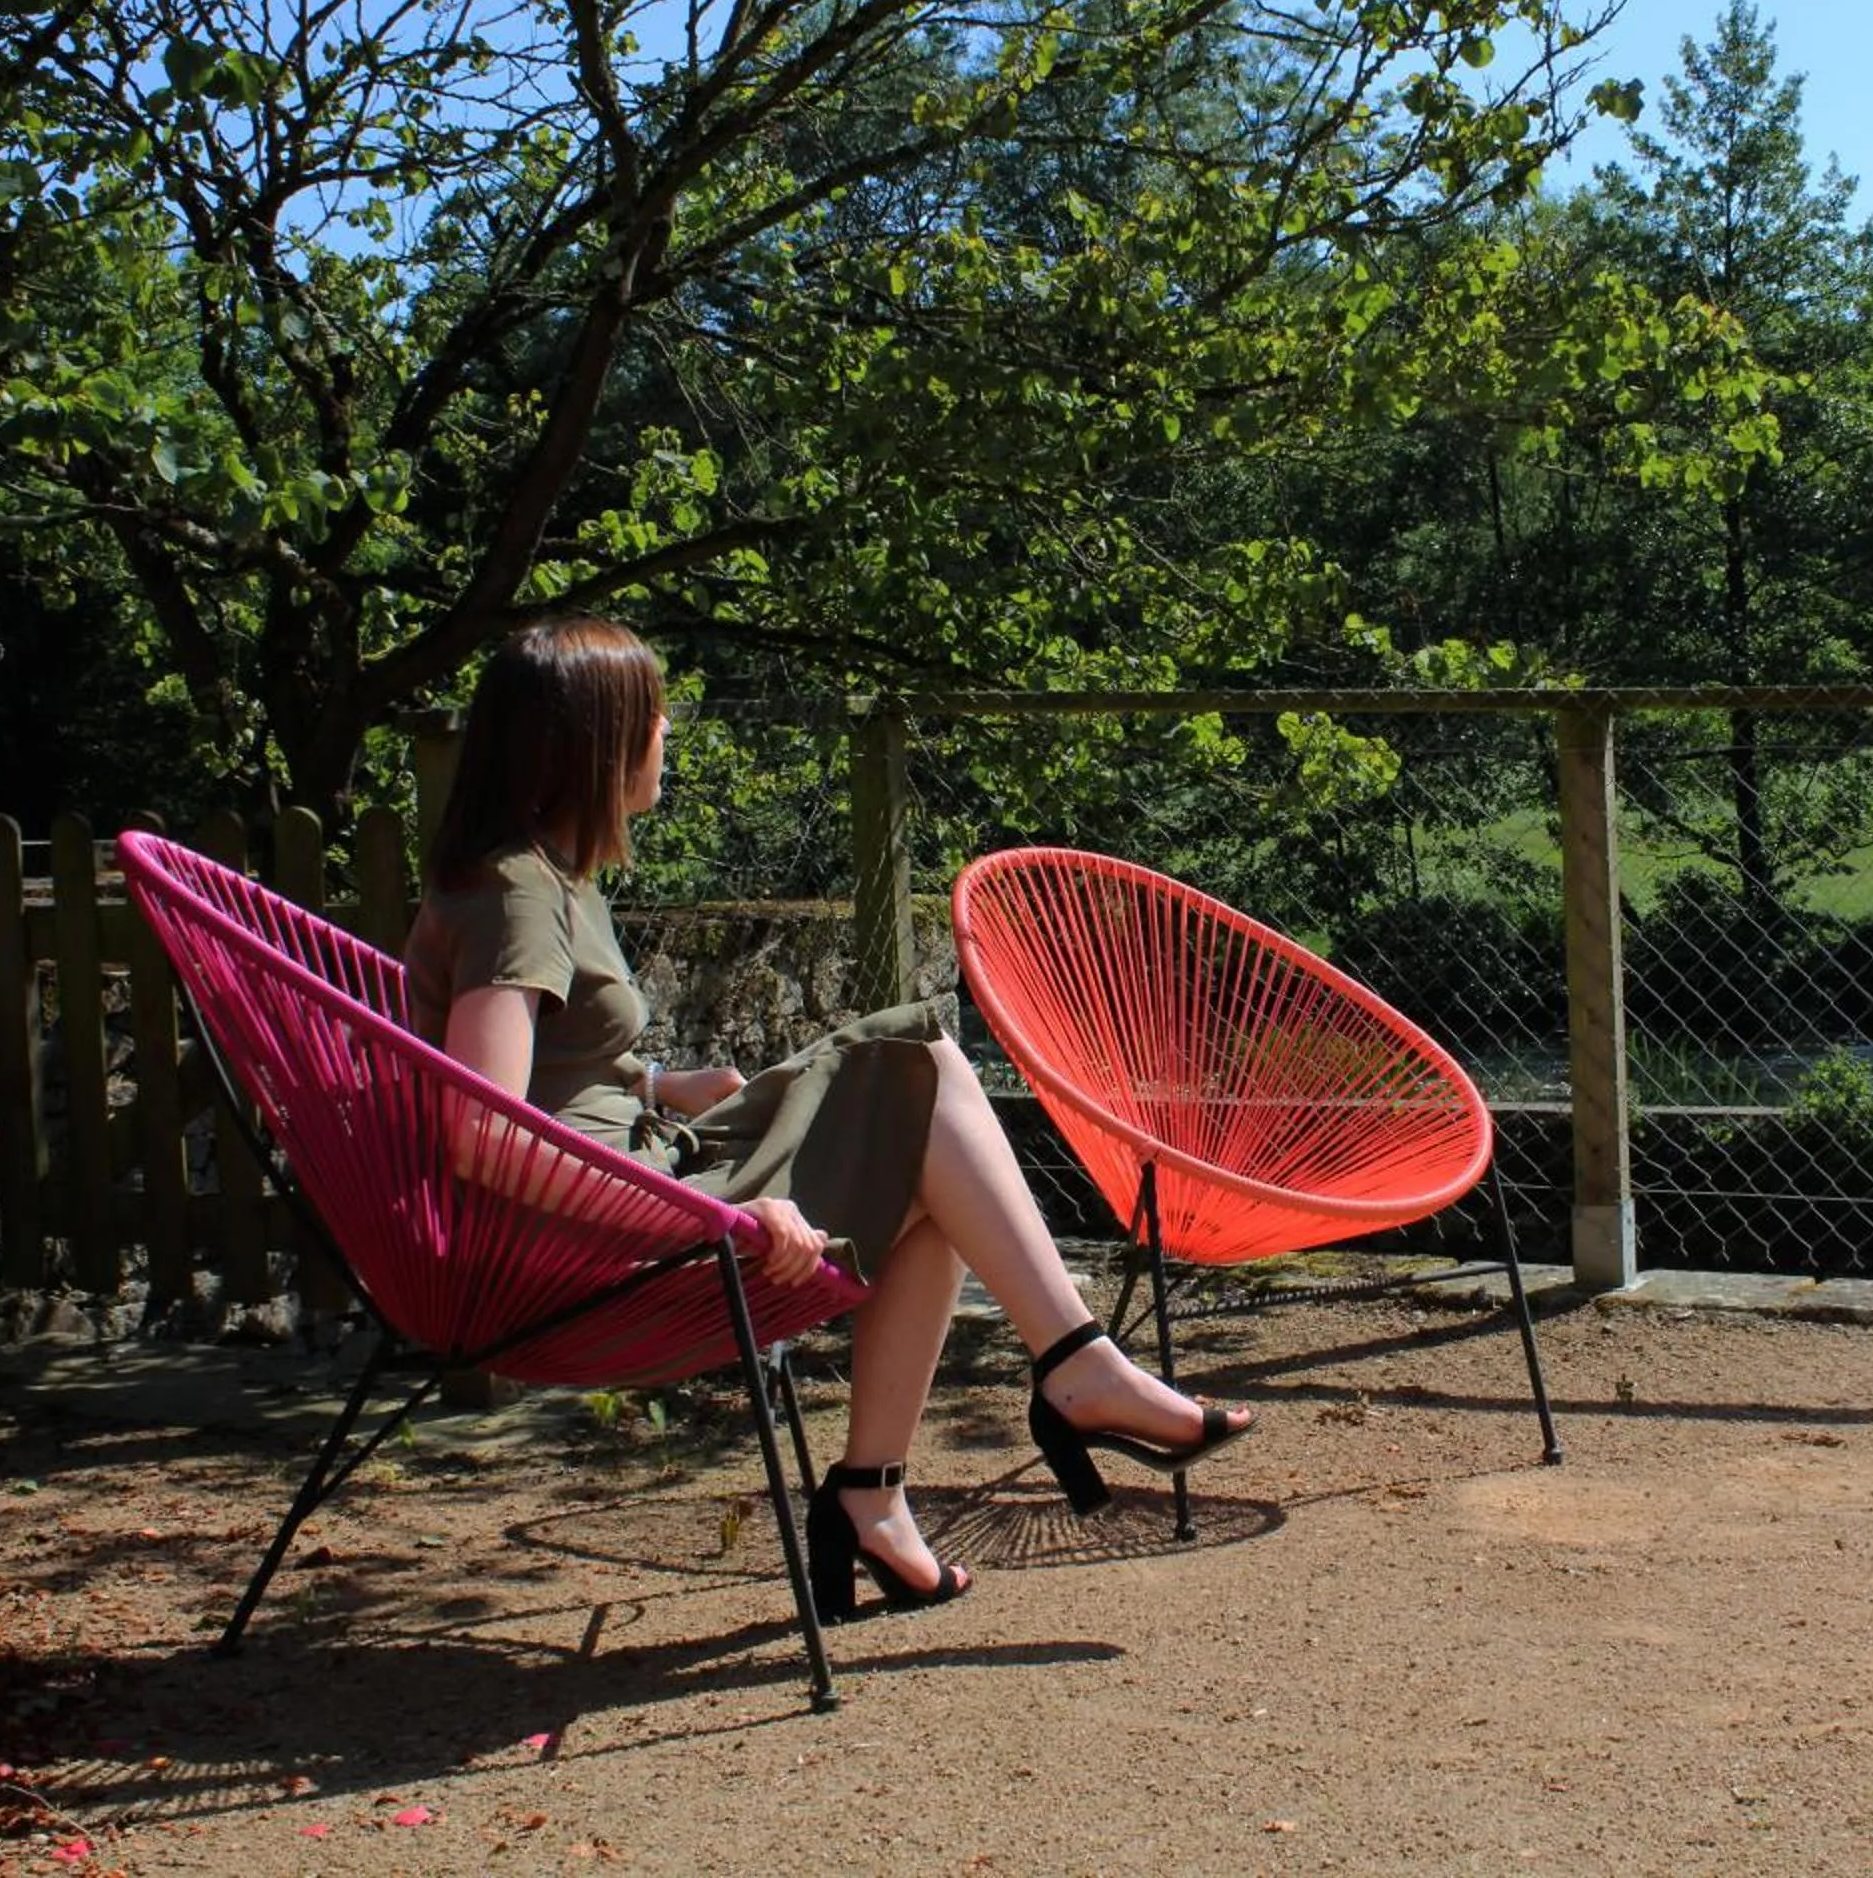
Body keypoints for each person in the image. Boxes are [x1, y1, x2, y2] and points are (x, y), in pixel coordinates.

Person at [403, 616, 1250, 1624]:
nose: (667, 728)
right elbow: (483, 1133)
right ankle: (1069, 1372)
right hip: (609, 1242)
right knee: (921, 1067)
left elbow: (546, 1079)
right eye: (650, 713)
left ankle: (879, 1495)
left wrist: (661, 1082)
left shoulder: (540, 875)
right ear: (589, 741)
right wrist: (708, 1222)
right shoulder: (519, 897)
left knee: (930, 1165)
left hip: (635, 1171)